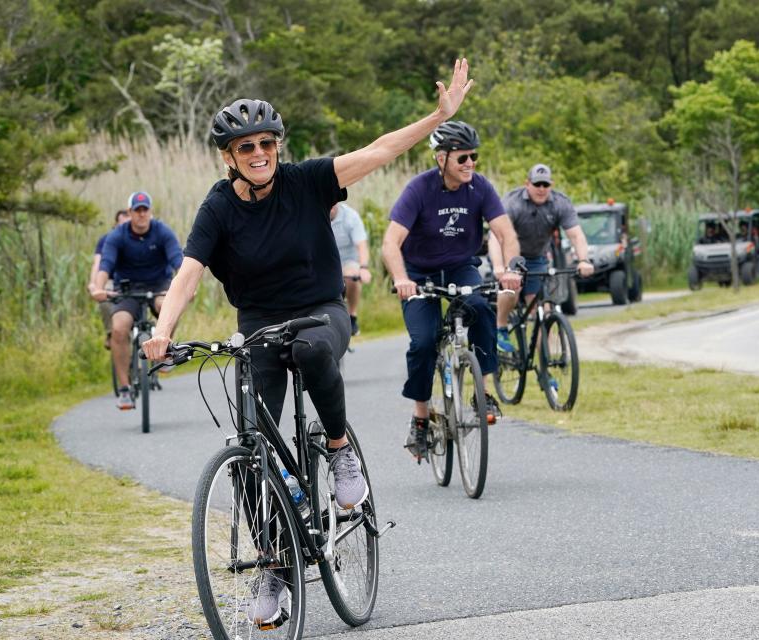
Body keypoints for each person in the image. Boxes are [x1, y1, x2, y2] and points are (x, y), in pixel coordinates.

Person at [142, 59, 475, 626]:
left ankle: (340, 449)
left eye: (265, 143)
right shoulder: (217, 208)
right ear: (229, 157)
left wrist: (436, 119)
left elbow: (379, 151)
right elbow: (190, 272)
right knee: (251, 451)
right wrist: (162, 331)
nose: (258, 154)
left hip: (320, 310)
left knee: (314, 350)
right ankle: (274, 566)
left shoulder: (306, 180)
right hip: (259, 324)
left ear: (276, 146)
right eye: (245, 148)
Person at [381, 120, 523, 463]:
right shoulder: (419, 189)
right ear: (441, 158)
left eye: (473, 156)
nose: (470, 163)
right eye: (463, 158)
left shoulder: (480, 188)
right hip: (419, 273)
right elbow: (390, 243)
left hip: (461, 266)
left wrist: (513, 266)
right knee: (424, 342)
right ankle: (420, 416)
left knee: (481, 306)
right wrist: (402, 278)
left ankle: (483, 392)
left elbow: (506, 234)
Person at [489, 163, 594, 354]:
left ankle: (545, 367)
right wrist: (499, 267)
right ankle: (501, 328)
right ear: (527, 184)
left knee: (542, 313)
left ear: (551, 185)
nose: (541, 189)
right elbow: (496, 237)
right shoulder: (513, 202)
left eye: (545, 185)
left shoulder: (560, 203)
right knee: (512, 288)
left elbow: (576, 235)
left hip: (537, 258)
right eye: (537, 184)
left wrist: (584, 260)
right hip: (510, 256)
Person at [92, 191, 182, 410]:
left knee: (168, 306)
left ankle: (164, 349)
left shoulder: (162, 232)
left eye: (145, 210)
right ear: (130, 212)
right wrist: (98, 286)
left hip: (158, 285)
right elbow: (106, 264)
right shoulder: (118, 236)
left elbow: (178, 261)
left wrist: (184, 287)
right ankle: (124, 389)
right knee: (119, 328)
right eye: (137, 210)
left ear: (150, 211)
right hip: (128, 288)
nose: (141, 215)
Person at [88, 208, 130, 349]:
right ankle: (110, 332)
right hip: (111, 280)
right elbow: (98, 263)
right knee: (104, 300)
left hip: (134, 280)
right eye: (122, 224)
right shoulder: (107, 240)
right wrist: (94, 284)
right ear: (116, 224)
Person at [330, 202, 372, 335]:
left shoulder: (350, 217)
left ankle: (352, 316)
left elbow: (361, 246)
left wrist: (364, 267)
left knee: (352, 276)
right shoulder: (314, 215)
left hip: (348, 261)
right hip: (327, 261)